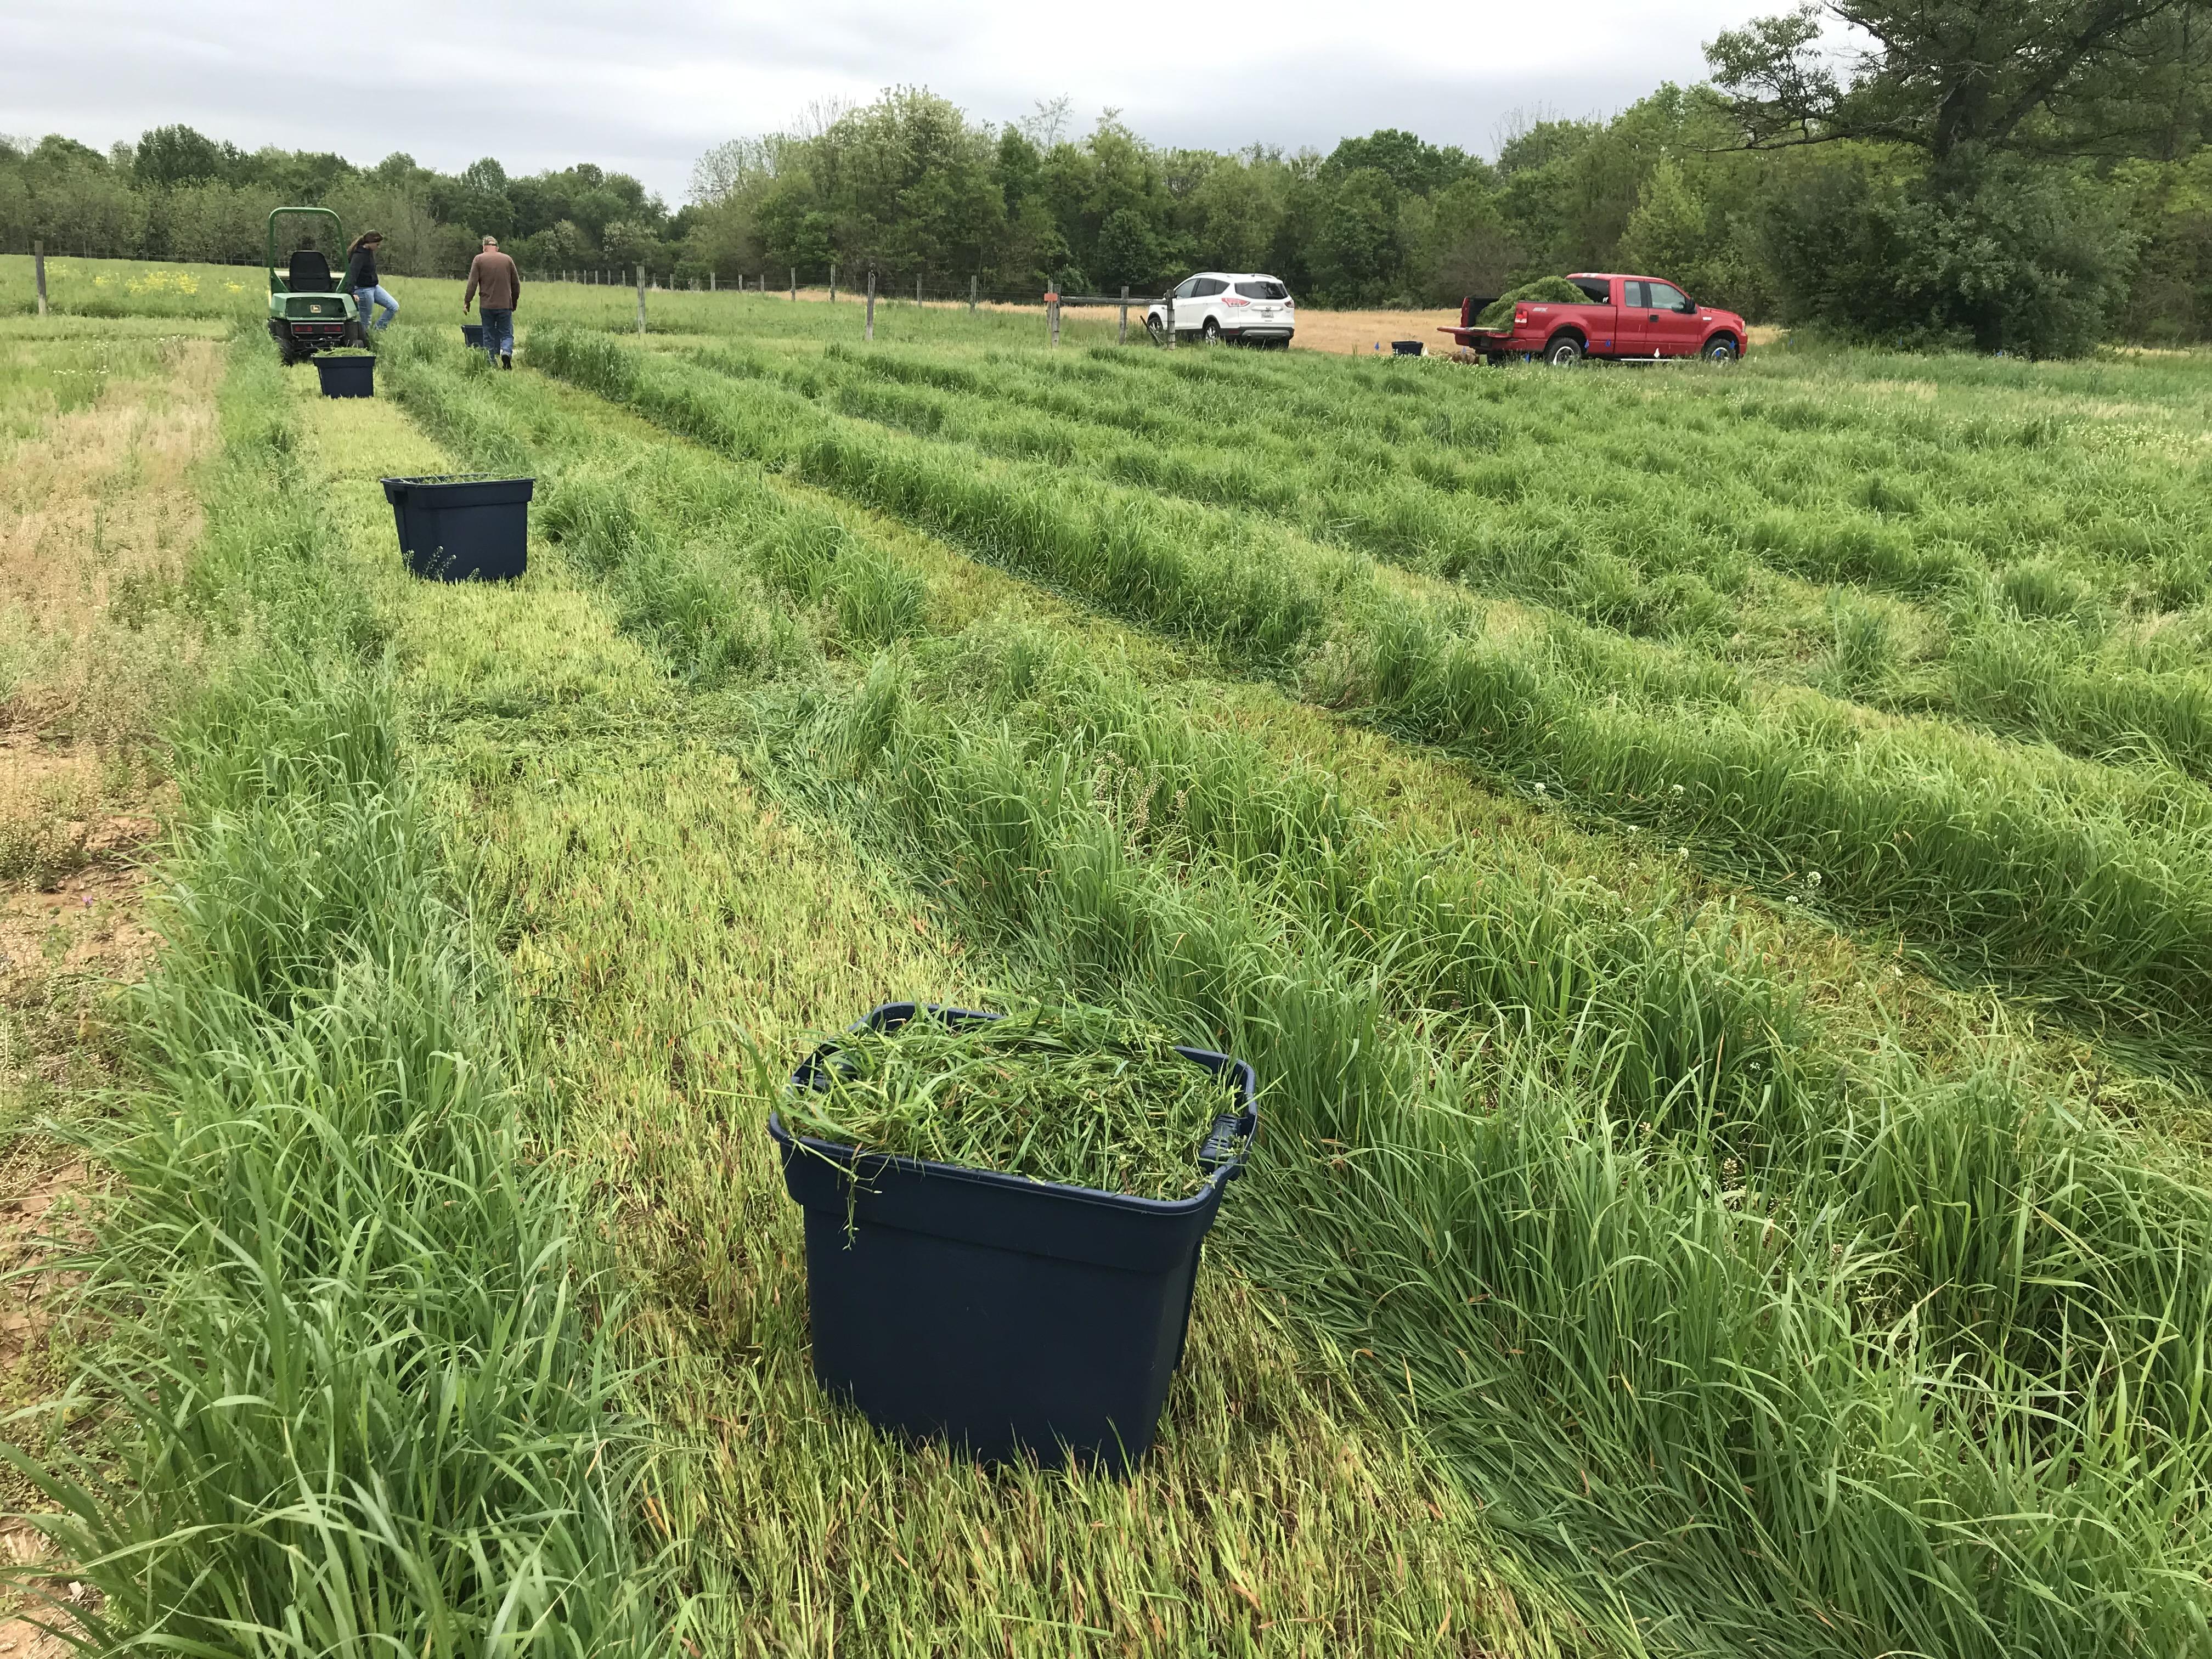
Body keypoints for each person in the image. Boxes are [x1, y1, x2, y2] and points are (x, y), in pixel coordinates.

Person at [464, 235, 521, 369]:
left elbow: (472, 283)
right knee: (507, 333)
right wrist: (514, 301)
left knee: (488, 335)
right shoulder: (508, 260)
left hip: (487, 306)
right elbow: (516, 284)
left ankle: (491, 362)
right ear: (497, 247)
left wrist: (467, 301)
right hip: (505, 305)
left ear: (484, 247)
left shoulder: (479, 259)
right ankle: (506, 352)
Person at [345, 230, 396, 338]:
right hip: (363, 290)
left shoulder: (369, 252)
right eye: (377, 244)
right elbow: (352, 274)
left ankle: (376, 331)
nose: (378, 247)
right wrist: (351, 292)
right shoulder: (359, 256)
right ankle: (366, 341)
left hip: (374, 287)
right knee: (366, 321)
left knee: (393, 306)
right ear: (371, 242)